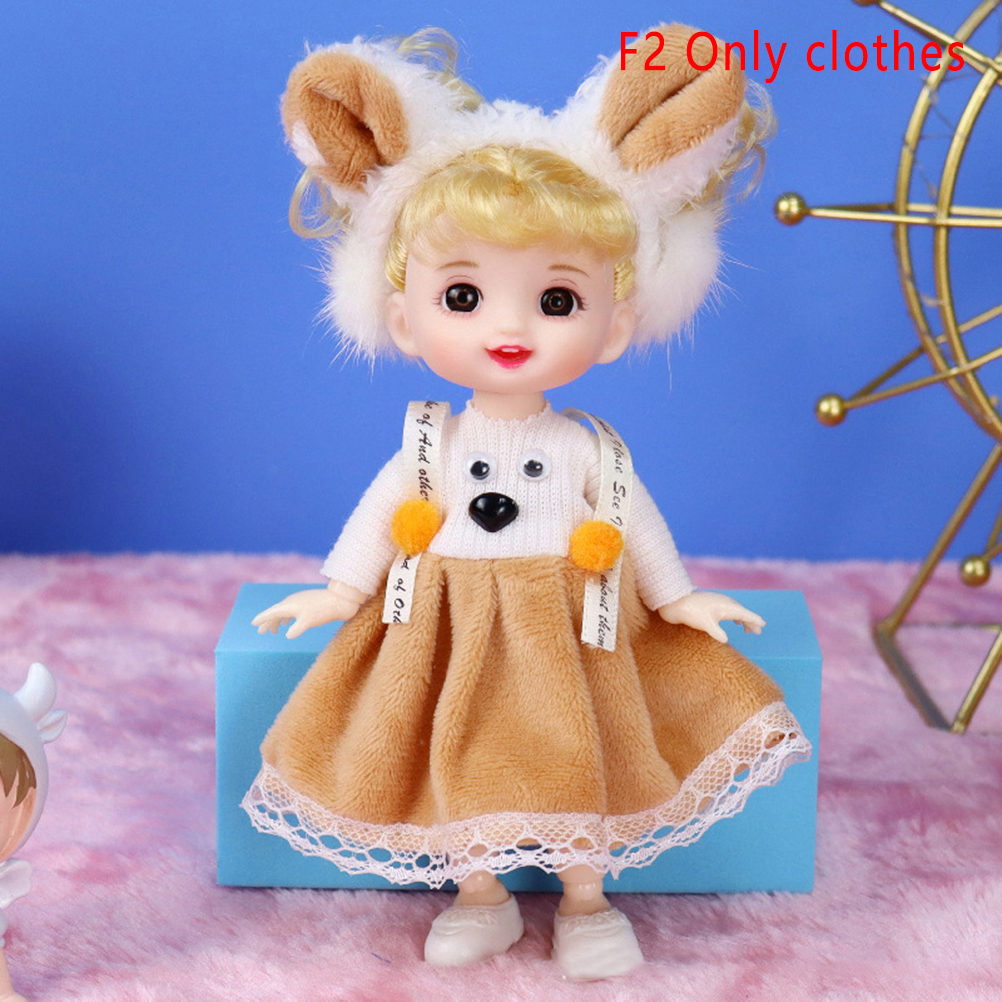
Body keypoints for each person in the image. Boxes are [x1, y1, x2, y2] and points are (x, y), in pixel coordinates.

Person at [243, 26, 810, 980]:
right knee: (458, 755)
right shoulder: (430, 443)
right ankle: (483, 896)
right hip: (449, 625)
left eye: (556, 301)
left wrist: (676, 597)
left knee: (578, 754)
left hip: (566, 629)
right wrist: (339, 590)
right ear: (403, 318)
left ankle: (587, 902)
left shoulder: (584, 448)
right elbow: (384, 512)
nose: (508, 327)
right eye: (463, 297)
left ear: (615, 325)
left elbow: (630, 516)